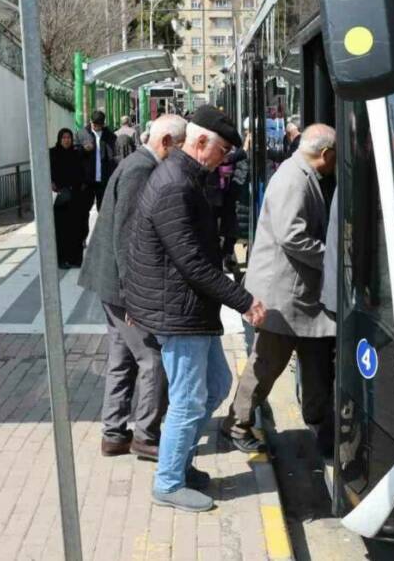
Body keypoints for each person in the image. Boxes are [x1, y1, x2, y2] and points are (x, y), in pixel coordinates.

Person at [124, 106, 268, 513]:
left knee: (217, 386)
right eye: (222, 150)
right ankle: (168, 481)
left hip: (188, 310)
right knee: (188, 401)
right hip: (180, 312)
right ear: (201, 142)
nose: (225, 159)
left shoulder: (187, 177)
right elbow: (190, 261)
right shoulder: (175, 184)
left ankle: (180, 464)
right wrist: (244, 302)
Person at [223, 124, 338, 455]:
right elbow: (292, 236)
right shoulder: (294, 179)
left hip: (301, 297)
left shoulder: (301, 174)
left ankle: (320, 423)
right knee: (267, 363)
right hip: (283, 297)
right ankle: (236, 424)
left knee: (316, 362)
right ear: (326, 154)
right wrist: (332, 258)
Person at [80, 114, 187, 461]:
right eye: (181, 147)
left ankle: (113, 434)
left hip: (109, 282)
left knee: (122, 358)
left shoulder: (136, 163)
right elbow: (127, 238)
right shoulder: (141, 170)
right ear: (167, 142)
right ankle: (146, 435)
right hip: (119, 286)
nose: (182, 155)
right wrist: (133, 295)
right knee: (152, 359)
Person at [50, 128, 86, 268]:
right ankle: (62, 259)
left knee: (76, 229)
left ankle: (75, 259)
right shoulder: (53, 153)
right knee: (61, 231)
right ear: (59, 139)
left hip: (76, 197)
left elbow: (82, 172)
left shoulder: (76, 153)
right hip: (61, 199)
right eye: (64, 137)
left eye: (69, 137)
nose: (66, 140)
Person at [79, 110, 120, 210]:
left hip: (104, 180)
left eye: (99, 125)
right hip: (88, 181)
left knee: (103, 210)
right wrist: (84, 150)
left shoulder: (110, 136)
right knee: (83, 210)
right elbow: (76, 155)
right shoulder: (82, 134)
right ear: (90, 121)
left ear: (103, 124)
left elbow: (116, 156)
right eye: (94, 124)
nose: (96, 127)